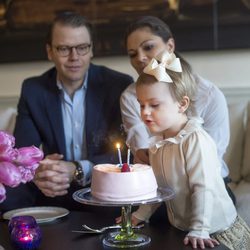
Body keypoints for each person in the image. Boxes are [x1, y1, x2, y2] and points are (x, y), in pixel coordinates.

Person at [0, 12, 133, 211]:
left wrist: (78, 168)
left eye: (82, 48)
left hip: (105, 187)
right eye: (64, 49)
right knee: (8, 200)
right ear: (49, 51)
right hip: (52, 189)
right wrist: (42, 171)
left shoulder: (118, 85)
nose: (74, 57)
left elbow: (126, 152)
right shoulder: (33, 90)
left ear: (91, 50)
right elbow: (22, 153)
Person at [130, 51, 250, 250]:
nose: (145, 113)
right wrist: (140, 215)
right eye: (141, 105)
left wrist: (200, 228)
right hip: (184, 229)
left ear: (182, 104)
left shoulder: (195, 140)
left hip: (217, 231)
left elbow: (203, 188)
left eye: (154, 105)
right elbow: (159, 189)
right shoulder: (158, 144)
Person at [120, 16, 235, 204]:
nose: (140, 58)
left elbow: (211, 158)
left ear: (170, 46)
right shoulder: (130, 97)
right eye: (133, 53)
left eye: (148, 47)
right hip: (156, 187)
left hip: (209, 185)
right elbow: (142, 153)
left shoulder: (210, 95)